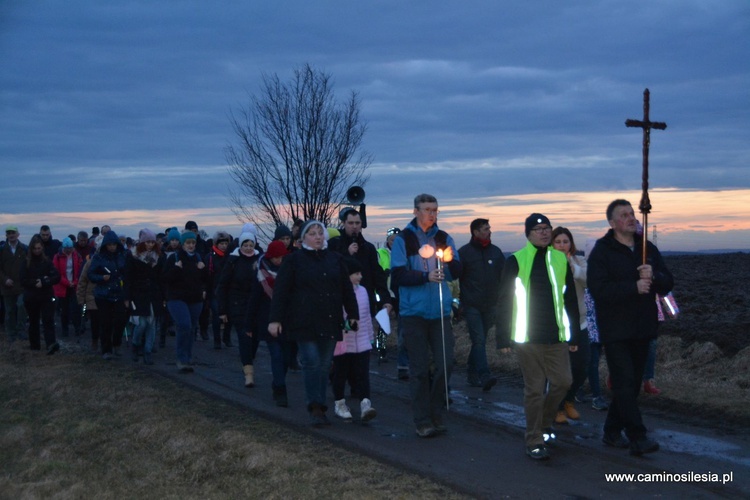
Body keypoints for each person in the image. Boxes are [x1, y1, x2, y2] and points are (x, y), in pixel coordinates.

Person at [587, 199, 673, 456]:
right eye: (624, 215)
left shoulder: (647, 249)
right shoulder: (602, 252)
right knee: (624, 381)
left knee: (632, 385)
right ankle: (637, 436)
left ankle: (611, 431)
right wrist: (632, 287)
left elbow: (668, 282)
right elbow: (598, 289)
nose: (631, 218)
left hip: (643, 326)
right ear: (612, 223)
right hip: (615, 329)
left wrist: (654, 276)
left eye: (632, 213)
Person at [496, 213, 581, 460]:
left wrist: (573, 335)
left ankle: (544, 423)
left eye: (547, 228)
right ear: (528, 233)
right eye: (538, 229)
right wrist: (502, 337)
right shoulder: (516, 260)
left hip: (556, 337)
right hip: (528, 338)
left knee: (563, 382)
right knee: (534, 390)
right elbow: (504, 300)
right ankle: (534, 440)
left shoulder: (559, 259)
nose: (544, 232)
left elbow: (569, 300)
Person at [268, 220, 359, 427]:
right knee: (311, 361)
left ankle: (318, 401)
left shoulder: (335, 259)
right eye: (312, 233)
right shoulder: (294, 261)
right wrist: (275, 319)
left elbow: (346, 289)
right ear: (303, 238)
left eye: (320, 233)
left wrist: (352, 314)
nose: (317, 236)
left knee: (325, 364)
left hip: (329, 318)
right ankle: (316, 406)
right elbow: (281, 292)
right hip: (303, 320)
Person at [391, 194, 461, 438]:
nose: (432, 214)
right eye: (427, 209)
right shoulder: (404, 239)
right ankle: (422, 419)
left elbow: (455, 273)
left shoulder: (444, 238)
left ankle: (435, 410)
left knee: (445, 364)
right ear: (415, 211)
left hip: (439, 312)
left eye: (435, 210)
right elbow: (398, 276)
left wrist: (450, 262)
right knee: (419, 369)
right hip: (414, 313)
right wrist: (425, 277)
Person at [458, 218, 505, 391]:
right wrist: (460, 303)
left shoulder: (496, 252)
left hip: (491, 305)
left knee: (481, 340)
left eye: (489, 228)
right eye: (485, 229)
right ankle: (484, 374)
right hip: (471, 305)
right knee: (478, 340)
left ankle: (471, 371)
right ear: (475, 232)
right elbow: (457, 278)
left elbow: (504, 277)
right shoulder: (464, 253)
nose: (489, 231)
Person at [550, 227, 590, 424]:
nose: (562, 245)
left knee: (581, 366)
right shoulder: (546, 262)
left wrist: (573, 269)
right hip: (556, 324)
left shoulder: (579, 261)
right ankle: (556, 407)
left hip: (579, 323)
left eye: (566, 241)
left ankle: (569, 400)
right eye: (558, 242)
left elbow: (589, 281)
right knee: (559, 371)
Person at [245, 240, 292, 406]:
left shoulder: (289, 271)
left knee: (287, 357)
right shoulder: (260, 274)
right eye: (276, 257)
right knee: (277, 355)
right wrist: (249, 325)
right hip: (267, 320)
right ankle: (280, 389)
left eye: (281, 257)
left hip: (288, 320)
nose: (279, 260)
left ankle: (278, 382)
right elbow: (254, 300)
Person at [332, 257, 378, 422]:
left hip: (362, 341)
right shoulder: (338, 292)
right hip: (344, 342)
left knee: (363, 374)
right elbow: (336, 317)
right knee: (341, 374)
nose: (360, 276)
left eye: (360, 273)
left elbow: (366, 317)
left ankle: (365, 403)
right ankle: (339, 403)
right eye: (356, 273)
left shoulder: (363, 291)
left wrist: (370, 337)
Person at [217, 230, 262, 387]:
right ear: (240, 245)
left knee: (255, 338)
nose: (249, 248)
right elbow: (223, 285)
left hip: (256, 306)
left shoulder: (260, 260)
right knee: (244, 338)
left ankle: (249, 360)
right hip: (238, 305)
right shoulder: (233, 261)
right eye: (246, 245)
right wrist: (222, 310)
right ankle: (248, 374)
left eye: (251, 245)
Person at [162, 230, 208, 372]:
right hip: (176, 298)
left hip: (195, 298)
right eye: (188, 243)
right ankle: (182, 358)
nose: (191, 245)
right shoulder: (174, 258)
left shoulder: (198, 258)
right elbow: (165, 278)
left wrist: (203, 270)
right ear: (183, 244)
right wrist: (176, 269)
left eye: (193, 243)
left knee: (192, 328)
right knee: (184, 325)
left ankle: (187, 358)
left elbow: (205, 279)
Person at [88, 230, 129, 360]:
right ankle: (106, 349)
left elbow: (127, 272)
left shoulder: (122, 255)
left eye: (114, 244)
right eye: (109, 244)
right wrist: (101, 278)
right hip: (103, 294)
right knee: (105, 323)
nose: (112, 247)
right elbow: (91, 274)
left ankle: (117, 343)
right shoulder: (99, 257)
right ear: (105, 245)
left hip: (118, 293)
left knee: (120, 320)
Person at [125, 229, 164, 365]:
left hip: (154, 294)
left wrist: (163, 296)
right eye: (148, 242)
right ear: (142, 242)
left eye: (153, 242)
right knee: (141, 323)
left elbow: (160, 277)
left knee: (152, 324)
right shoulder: (133, 256)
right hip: (138, 293)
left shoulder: (158, 256)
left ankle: (148, 351)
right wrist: (127, 297)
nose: (150, 245)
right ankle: (135, 345)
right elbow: (128, 277)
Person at [20, 235, 61, 354]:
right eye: (35, 248)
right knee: (33, 321)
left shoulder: (47, 261)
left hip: (46, 296)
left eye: (39, 248)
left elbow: (56, 277)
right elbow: (22, 279)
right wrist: (35, 282)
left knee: (48, 320)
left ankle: (51, 344)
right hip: (31, 297)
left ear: (42, 248)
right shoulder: (26, 262)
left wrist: (44, 281)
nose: (37, 251)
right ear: (31, 249)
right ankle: (35, 346)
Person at [377, 227, 404, 368]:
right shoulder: (380, 253)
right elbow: (376, 270)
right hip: (386, 292)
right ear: (387, 240)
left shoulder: (403, 254)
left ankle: (403, 351)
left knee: (403, 323)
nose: (394, 242)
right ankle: (381, 350)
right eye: (392, 239)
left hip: (400, 292)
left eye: (397, 239)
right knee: (383, 323)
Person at [1, 225, 28, 344]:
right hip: (7, 286)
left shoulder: (24, 249)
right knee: (10, 311)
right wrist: (4, 279)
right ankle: (11, 334)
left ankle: (21, 331)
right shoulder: (1, 250)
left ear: (18, 234)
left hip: (21, 285)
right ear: (6, 235)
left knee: (21, 306)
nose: (11, 235)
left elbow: (29, 266)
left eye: (13, 233)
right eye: (9, 233)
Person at [52, 237, 84, 337]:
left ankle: (77, 329)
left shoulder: (76, 256)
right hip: (62, 286)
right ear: (63, 248)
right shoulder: (57, 257)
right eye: (67, 248)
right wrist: (67, 283)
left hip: (74, 285)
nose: (69, 250)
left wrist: (75, 282)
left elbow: (80, 270)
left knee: (76, 308)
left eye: (70, 248)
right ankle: (65, 329)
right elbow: (56, 273)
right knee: (64, 310)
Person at [207, 231, 233, 349]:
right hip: (215, 290)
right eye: (221, 243)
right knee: (217, 315)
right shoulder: (211, 257)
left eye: (225, 243)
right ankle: (217, 340)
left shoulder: (232, 257)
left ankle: (226, 337)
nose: (223, 245)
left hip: (229, 290)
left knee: (229, 315)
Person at [77, 255, 101, 352]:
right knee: (95, 321)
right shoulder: (90, 263)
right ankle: (95, 340)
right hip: (92, 295)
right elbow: (82, 281)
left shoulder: (113, 260)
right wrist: (81, 299)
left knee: (106, 321)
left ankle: (106, 343)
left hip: (107, 295)